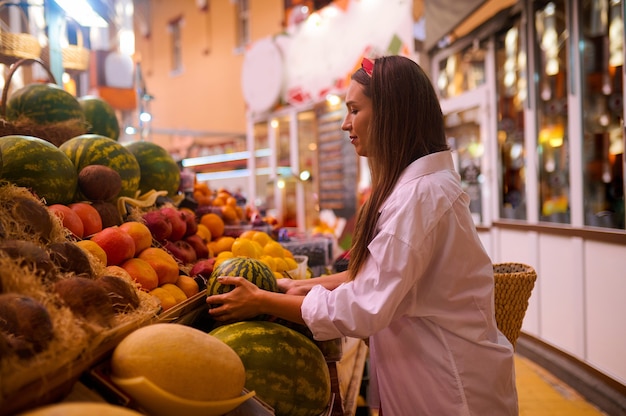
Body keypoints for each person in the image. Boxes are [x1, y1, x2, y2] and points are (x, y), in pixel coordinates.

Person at [207, 55, 519, 415]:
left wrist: (264, 301)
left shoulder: (420, 197)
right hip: (438, 378)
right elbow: (379, 276)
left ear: (391, 114)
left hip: (450, 391)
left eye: (354, 110)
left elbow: (366, 306)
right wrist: (300, 287)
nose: (345, 124)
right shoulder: (419, 188)